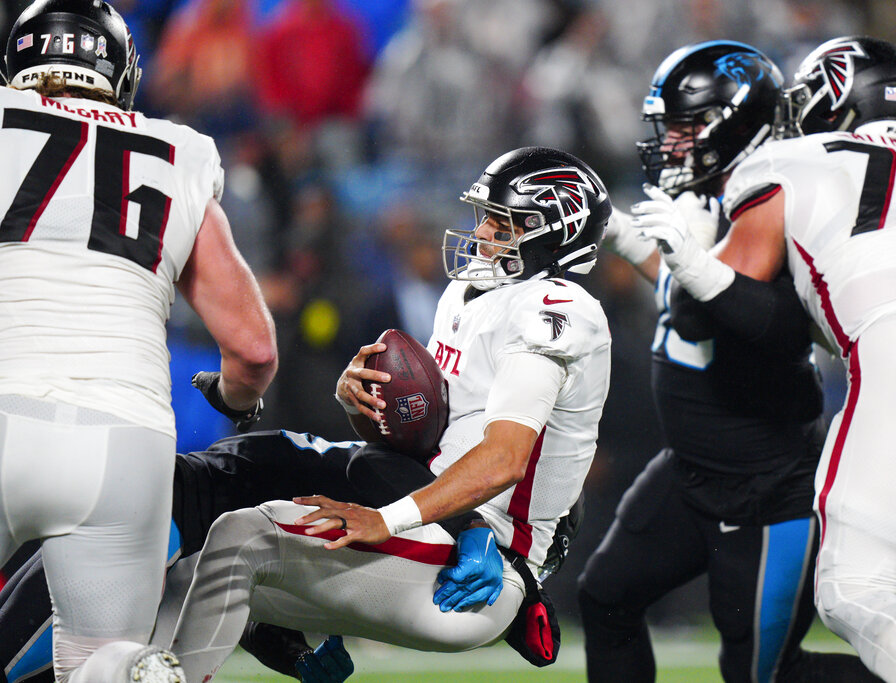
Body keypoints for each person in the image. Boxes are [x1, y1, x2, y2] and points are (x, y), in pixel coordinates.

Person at [640, 34, 896, 683]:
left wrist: (691, 259)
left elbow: (708, 310)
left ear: (835, 98)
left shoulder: (786, 161)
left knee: (855, 589)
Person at [165, 145, 613, 681]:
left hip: (482, 561)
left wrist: (384, 518)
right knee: (227, 481)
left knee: (244, 535)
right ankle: (284, 649)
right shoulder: (468, 294)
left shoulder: (556, 308)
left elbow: (504, 460)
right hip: (421, 504)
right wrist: (362, 403)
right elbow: (418, 439)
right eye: (488, 218)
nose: (485, 233)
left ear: (556, 232)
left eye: (506, 223)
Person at [580, 40, 881, 683]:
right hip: (693, 473)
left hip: (766, 491)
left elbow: (755, 317)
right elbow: (691, 289)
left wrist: (688, 257)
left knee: (762, 676)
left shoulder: (779, 197)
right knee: (606, 596)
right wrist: (626, 236)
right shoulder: (717, 197)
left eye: (687, 127)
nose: (671, 143)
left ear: (736, 123)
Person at [0, 0, 278, 680]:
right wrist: (236, 400)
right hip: (127, 437)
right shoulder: (178, 152)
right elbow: (253, 347)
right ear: (121, 72)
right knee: (100, 659)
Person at [0, 427, 539, 683]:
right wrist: (469, 524)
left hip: (162, 519)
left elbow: (242, 597)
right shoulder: (386, 471)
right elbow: (371, 467)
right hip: (163, 516)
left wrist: (294, 658)